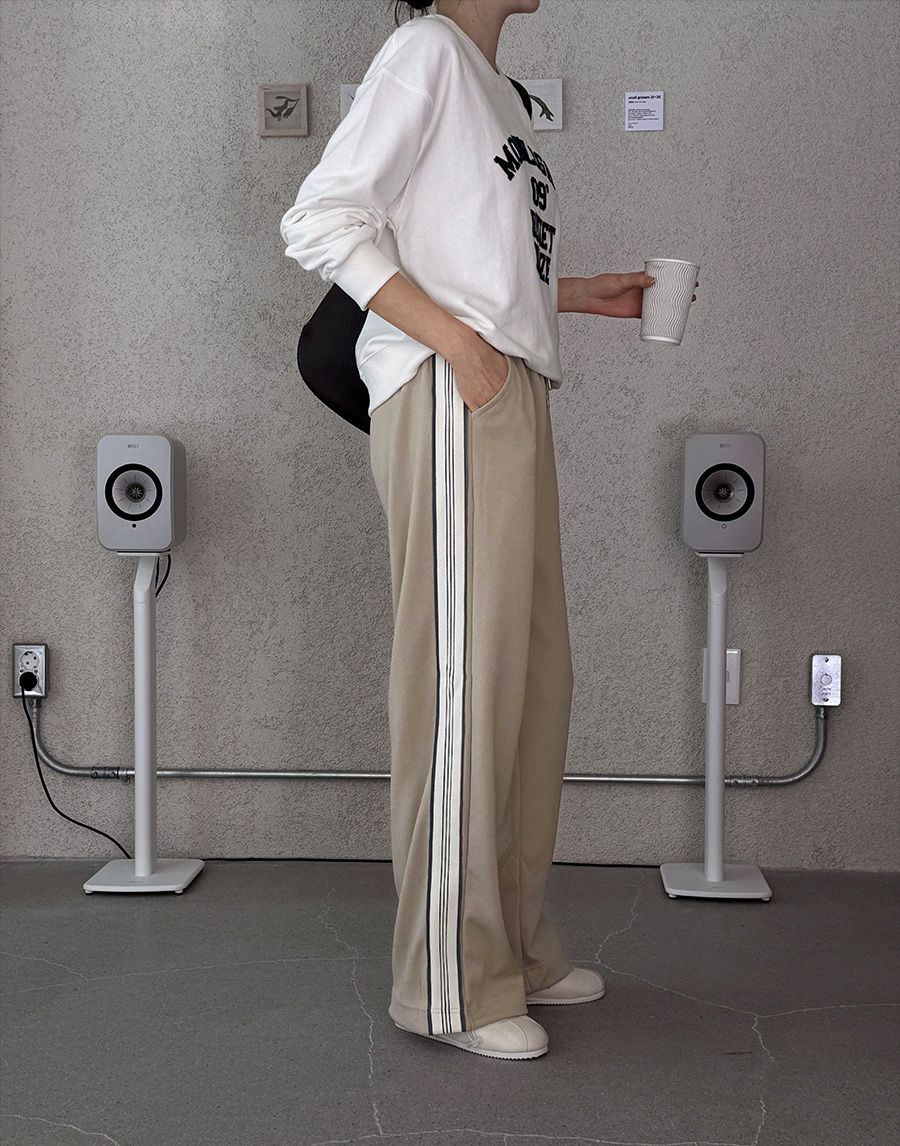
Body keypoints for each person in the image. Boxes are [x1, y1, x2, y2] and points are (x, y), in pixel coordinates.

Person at [280, 0, 682, 1061]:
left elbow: (468, 256)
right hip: (452, 395)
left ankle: (514, 947)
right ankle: (450, 982)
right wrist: (461, 348)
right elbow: (321, 218)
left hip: (506, 393)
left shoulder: (492, 85)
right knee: (464, 688)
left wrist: (574, 295)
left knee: (531, 684)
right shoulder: (425, 51)